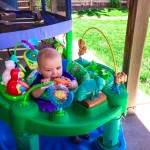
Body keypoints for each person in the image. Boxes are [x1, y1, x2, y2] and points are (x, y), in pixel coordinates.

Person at [31, 47, 89, 144]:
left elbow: (75, 84)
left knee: (75, 113)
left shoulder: (63, 75)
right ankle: (72, 132)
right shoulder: (40, 78)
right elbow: (34, 94)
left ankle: (79, 130)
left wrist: (71, 84)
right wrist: (42, 87)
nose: (55, 73)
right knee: (61, 119)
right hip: (49, 103)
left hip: (66, 100)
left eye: (58, 68)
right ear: (40, 70)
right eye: (49, 70)